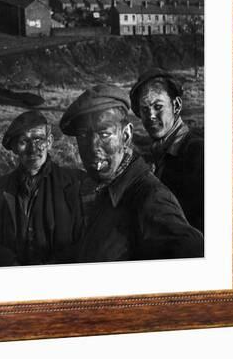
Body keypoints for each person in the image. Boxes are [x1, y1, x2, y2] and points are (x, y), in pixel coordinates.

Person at [59, 84, 203, 263]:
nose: (92, 148)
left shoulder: (150, 198)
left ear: (126, 136)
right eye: (82, 136)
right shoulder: (104, 189)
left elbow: (194, 253)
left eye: (104, 134)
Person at [0, 110, 83, 267]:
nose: (32, 149)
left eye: (38, 140)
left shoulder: (75, 184)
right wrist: (8, 263)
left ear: (49, 142)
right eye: (23, 142)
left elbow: (88, 240)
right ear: (14, 147)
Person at [129, 68, 204, 233]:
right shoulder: (156, 155)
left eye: (158, 106)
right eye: (145, 109)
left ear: (176, 106)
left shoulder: (199, 153)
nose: (151, 116)